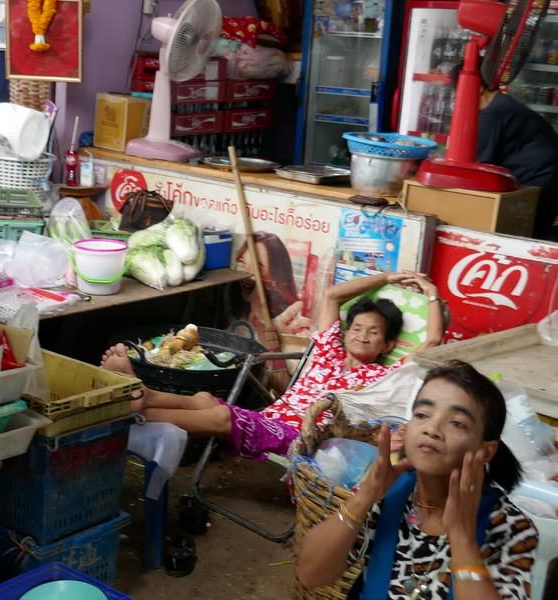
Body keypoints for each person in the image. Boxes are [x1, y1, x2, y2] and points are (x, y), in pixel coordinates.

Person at [101, 270, 445, 461]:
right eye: (357, 328)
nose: (363, 336)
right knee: (205, 398)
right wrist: (387, 277)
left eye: (374, 333)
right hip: (270, 420)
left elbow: (431, 343)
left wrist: (430, 291)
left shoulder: (381, 376)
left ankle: (136, 412)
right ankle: (141, 394)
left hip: (309, 439)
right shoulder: (328, 350)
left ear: (386, 345)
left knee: (221, 416)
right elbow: (333, 297)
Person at [296, 361, 538, 599]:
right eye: (422, 414)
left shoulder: (510, 528)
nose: (431, 429)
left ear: (486, 451)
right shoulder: (389, 497)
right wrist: (364, 497)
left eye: (456, 423)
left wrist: (462, 539)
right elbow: (311, 575)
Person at [477, 88, 558, 242]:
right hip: (544, 179)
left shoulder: (493, 112)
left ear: (479, 88)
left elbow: (481, 163)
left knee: (523, 242)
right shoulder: (502, 103)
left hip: (539, 181)